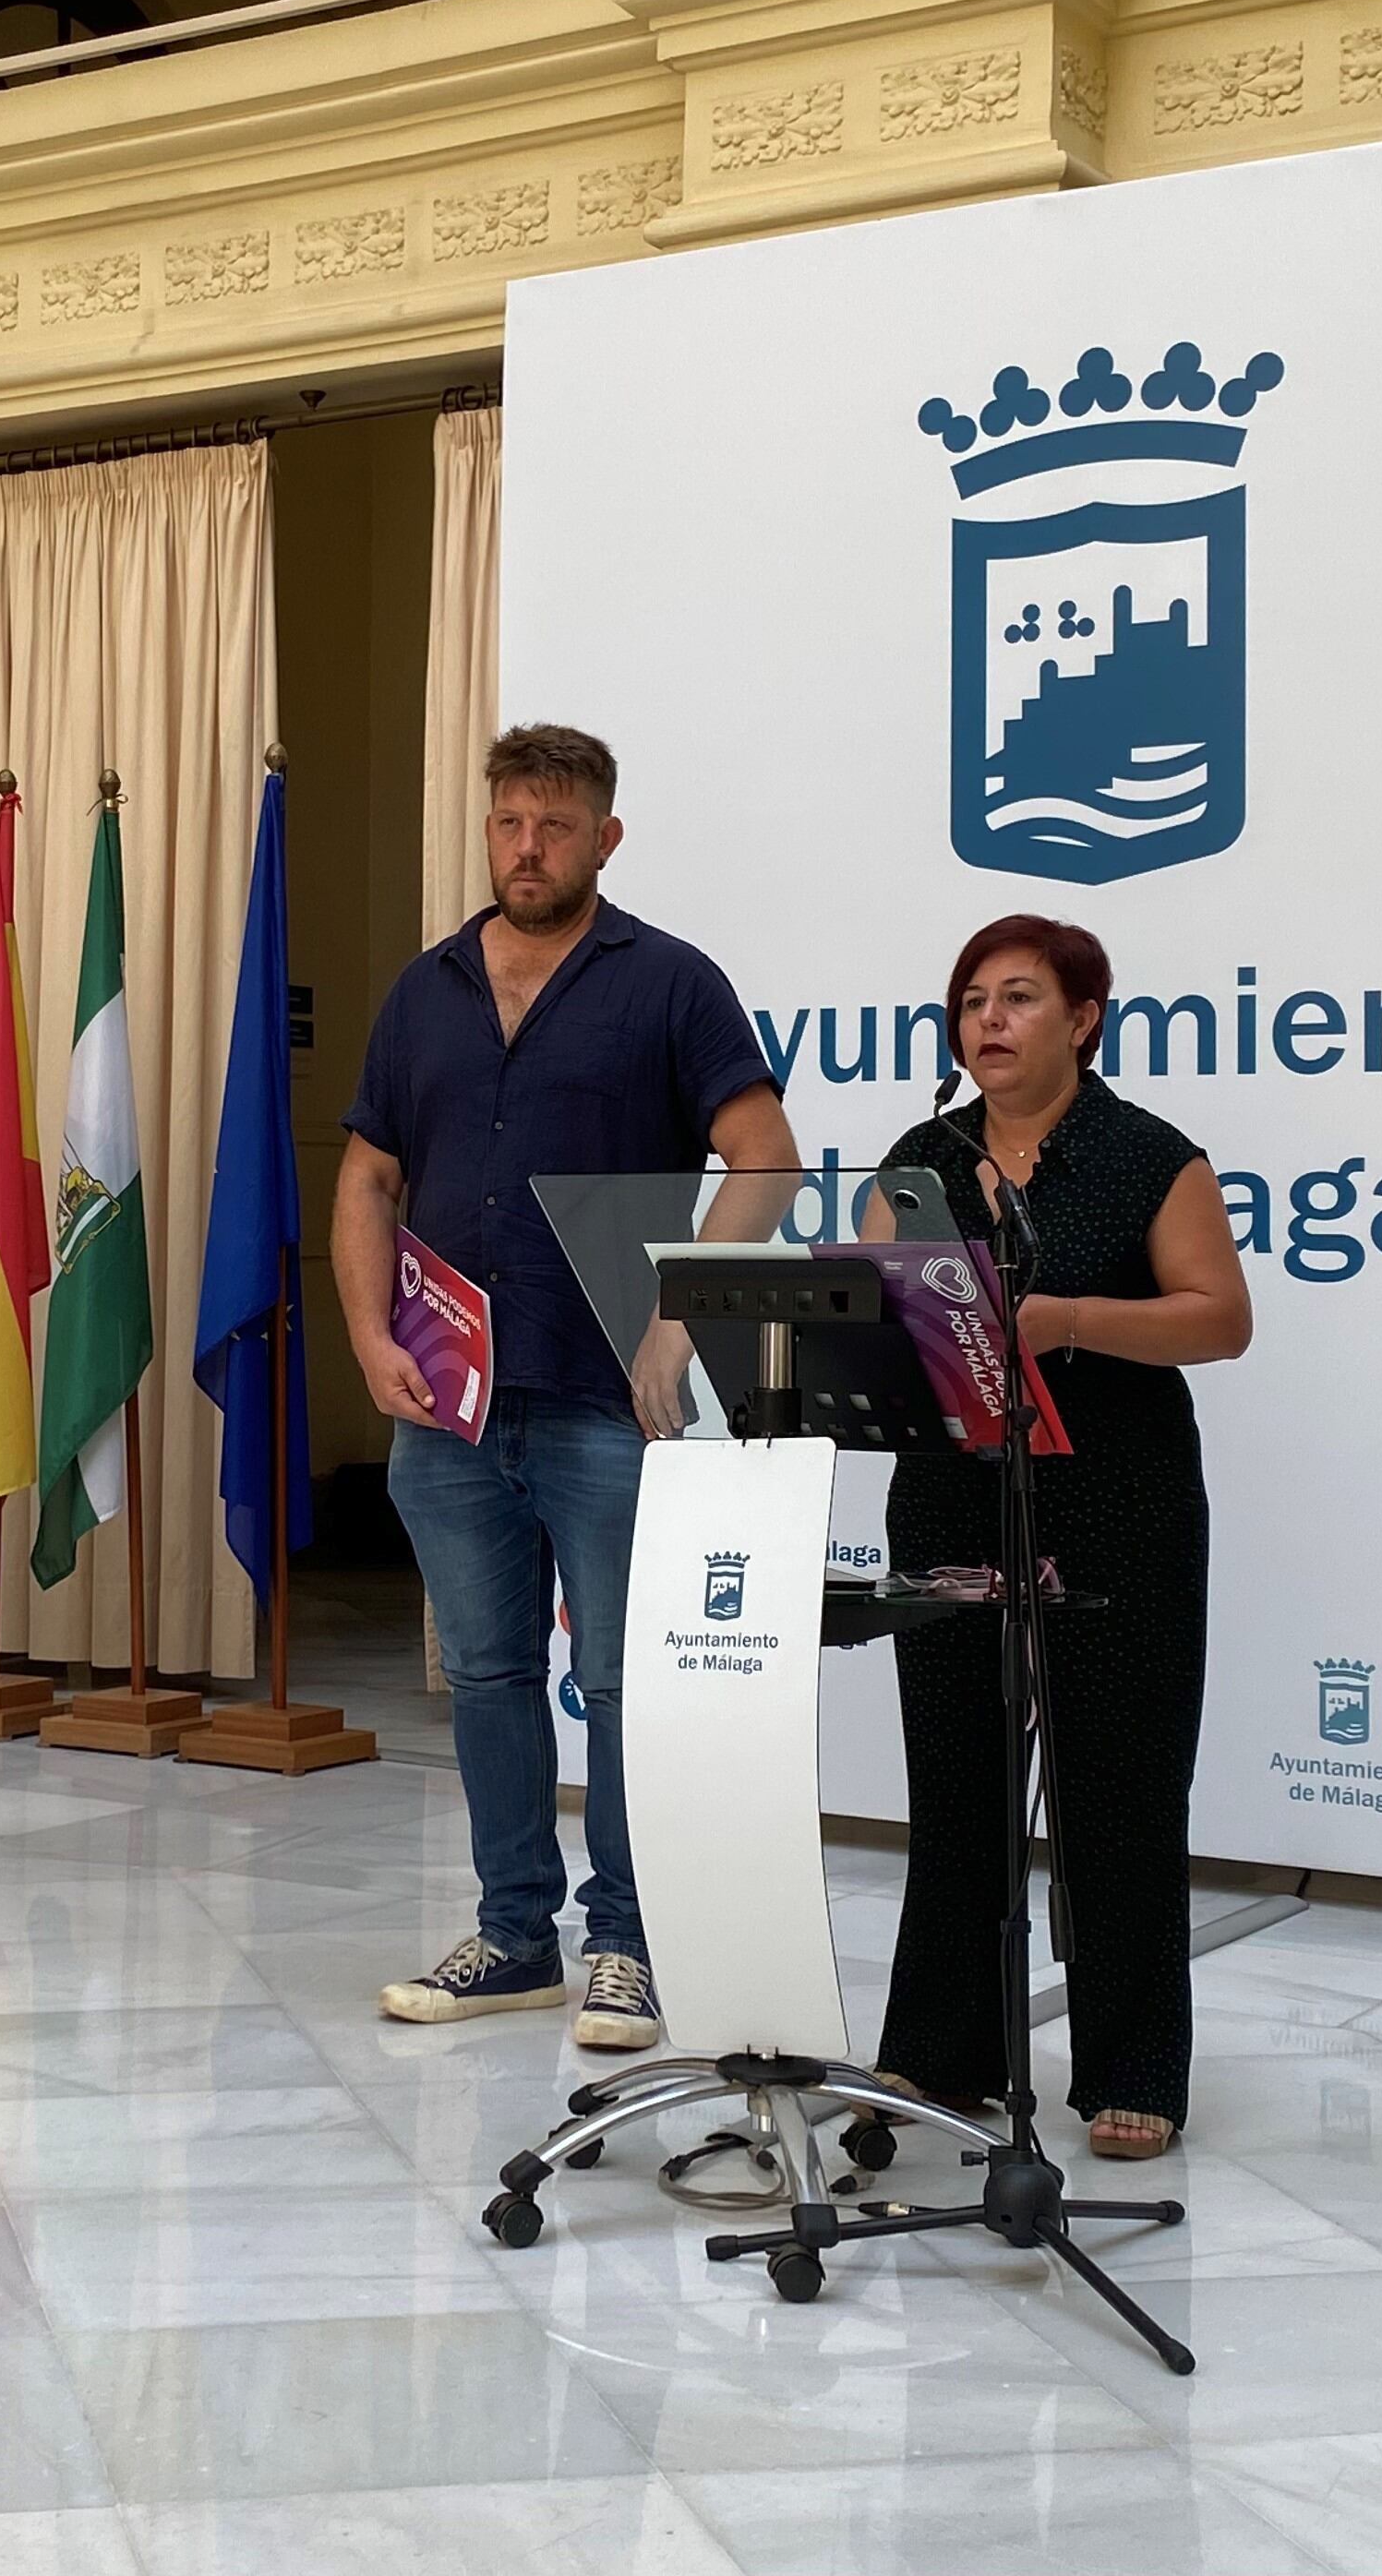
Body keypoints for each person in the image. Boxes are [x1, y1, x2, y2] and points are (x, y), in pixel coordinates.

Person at [333, 724, 796, 2052]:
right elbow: (368, 1177)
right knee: (484, 1672)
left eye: (553, 823)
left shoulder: (669, 983)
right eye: (506, 824)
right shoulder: (424, 991)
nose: (526, 847)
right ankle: (515, 1934)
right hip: (450, 1404)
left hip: (608, 1401)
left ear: (605, 835)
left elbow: (763, 1156)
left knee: (619, 1681)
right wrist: (370, 1338)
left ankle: (631, 1948)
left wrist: (683, 1315)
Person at [864, 915, 1251, 2159]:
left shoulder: (1146, 1157)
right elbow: (872, 1312)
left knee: (1120, 1786)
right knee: (958, 1786)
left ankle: (1131, 2065)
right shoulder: (920, 1159)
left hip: (1118, 1496)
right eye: (970, 997)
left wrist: (1068, 1316)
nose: (987, 1019)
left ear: (1083, 1018)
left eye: (1018, 997)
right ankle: (943, 2052)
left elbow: (1219, 1319)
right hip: (948, 1493)